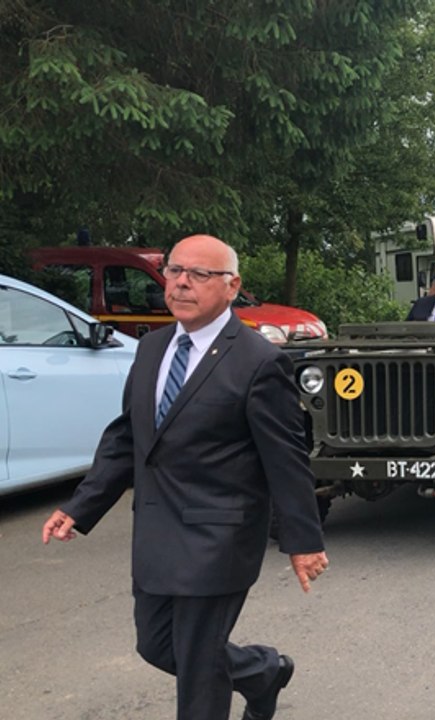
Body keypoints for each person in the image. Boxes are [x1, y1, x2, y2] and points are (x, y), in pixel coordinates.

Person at [41, 234, 327, 720]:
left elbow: (285, 458)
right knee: (156, 644)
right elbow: (128, 436)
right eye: (174, 271)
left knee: (198, 665)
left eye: (200, 274)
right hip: (158, 531)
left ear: (232, 286)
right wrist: (80, 506)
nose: (181, 283)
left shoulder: (259, 361)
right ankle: (262, 672)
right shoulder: (152, 348)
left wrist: (303, 540)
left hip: (219, 535)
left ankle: (250, 680)